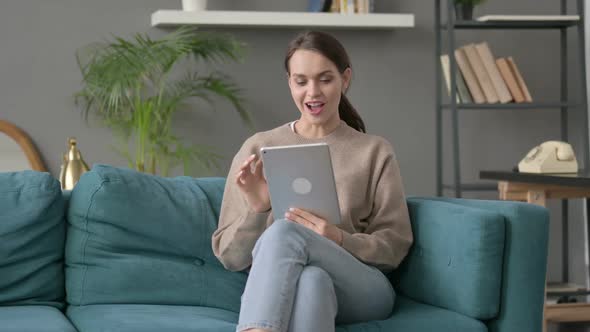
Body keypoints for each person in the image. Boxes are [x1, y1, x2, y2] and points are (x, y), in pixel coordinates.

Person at [212, 30, 413, 332]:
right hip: (302, 285)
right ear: (290, 82)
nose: (313, 92)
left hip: (363, 288)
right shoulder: (258, 148)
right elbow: (230, 257)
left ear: (345, 79)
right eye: (301, 81)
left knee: (284, 231)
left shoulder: (374, 151)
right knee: (312, 282)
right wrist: (257, 209)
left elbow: (394, 246)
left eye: (325, 79)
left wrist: (339, 238)